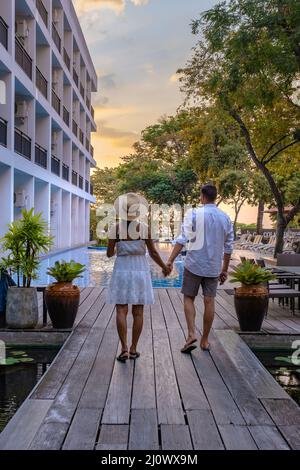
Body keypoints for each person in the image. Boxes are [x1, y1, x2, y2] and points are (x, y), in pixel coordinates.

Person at [167, 184, 234, 353]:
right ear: (215, 197)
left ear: (202, 196)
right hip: (213, 267)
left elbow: (182, 239)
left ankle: (191, 335)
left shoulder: (194, 214)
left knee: (189, 297)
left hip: (194, 264)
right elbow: (228, 247)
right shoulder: (225, 218)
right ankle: (204, 340)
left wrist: (169, 261)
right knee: (209, 301)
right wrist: (224, 269)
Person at [107, 193, 169, 362]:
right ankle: (134, 348)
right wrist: (164, 267)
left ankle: (124, 349)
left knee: (121, 309)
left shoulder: (116, 228)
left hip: (122, 269)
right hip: (140, 269)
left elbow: (108, 254)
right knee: (138, 311)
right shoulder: (144, 228)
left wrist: (118, 246)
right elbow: (153, 253)